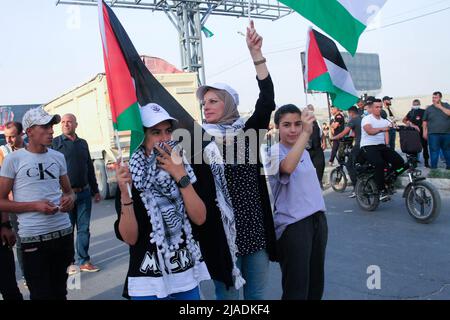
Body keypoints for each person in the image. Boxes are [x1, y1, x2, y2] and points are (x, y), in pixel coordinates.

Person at [191, 20, 277, 300]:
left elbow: (267, 100)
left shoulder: (247, 135)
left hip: (255, 229)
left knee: (258, 296)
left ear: (229, 103)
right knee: (226, 297)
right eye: (205, 102)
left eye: (214, 101)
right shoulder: (198, 140)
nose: (207, 106)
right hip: (221, 238)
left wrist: (256, 56)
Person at [114, 103, 210, 300]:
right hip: (148, 281)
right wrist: (125, 194)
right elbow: (130, 238)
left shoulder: (184, 168)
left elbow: (200, 218)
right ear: (142, 137)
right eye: (156, 132)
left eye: (168, 131)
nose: (165, 139)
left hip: (185, 276)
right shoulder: (131, 176)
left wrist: (180, 175)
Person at [0, 107, 75, 300]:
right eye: (45, 126)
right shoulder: (12, 160)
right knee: (41, 295)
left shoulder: (57, 157)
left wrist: (69, 199)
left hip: (63, 236)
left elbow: (69, 191)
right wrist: (34, 206)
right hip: (34, 240)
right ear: (29, 131)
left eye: (51, 126)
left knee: (61, 293)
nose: (51, 131)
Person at [267, 104, 327, 300]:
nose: (293, 129)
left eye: (297, 124)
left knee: (315, 283)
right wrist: (305, 134)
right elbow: (287, 168)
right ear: (277, 127)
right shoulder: (273, 151)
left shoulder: (305, 152)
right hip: (293, 226)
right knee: (296, 288)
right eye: (286, 125)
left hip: (317, 220)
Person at [52, 114, 101, 273]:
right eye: (63, 122)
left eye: (69, 122)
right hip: (65, 196)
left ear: (76, 125)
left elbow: (89, 168)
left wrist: (95, 190)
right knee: (67, 230)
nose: (66, 124)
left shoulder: (82, 143)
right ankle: (69, 262)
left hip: (84, 193)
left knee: (84, 229)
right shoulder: (55, 143)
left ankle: (84, 261)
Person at [360, 99, 405, 200]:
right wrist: (382, 129)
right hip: (368, 146)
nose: (379, 109)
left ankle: (389, 178)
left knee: (400, 163)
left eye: (381, 107)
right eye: (377, 107)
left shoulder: (385, 120)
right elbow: (369, 131)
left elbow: (388, 132)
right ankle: (380, 190)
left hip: (381, 146)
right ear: (371, 108)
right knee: (379, 163)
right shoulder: (367, 119)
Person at [0, 121, 27, 286]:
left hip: (32, 202)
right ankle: (26, 274)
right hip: (13, 205)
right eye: (6, 137)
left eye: (12, 136)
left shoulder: (31, 149)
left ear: (21, 134)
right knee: (20, 241)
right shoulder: (3, 152)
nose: (8, 140)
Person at [330, 106, 362, 198]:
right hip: (366, 145)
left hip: (359, 145)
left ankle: (356, 188)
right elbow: (353, 133)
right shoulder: (362, 119)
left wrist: (334, 138)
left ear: (351, 113)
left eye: (349, 114)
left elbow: (344, 132)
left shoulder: (353, 120)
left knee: (349, 165)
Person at [422, 91, 450, 169]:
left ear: (440, 98)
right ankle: (434, 168)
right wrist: (424, 132)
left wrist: (440, 107)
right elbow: (424, 121)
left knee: (447, 151)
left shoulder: (446, 105)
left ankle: (449, 167)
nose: (433, 99)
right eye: (433, 97)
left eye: (435, 97)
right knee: (434, 151)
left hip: (446, 133)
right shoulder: (429, 108)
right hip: (433, 134)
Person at [403, 99, 429, 167]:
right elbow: (404, 120)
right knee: (414, 148)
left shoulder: (423, 111)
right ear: (412, 105)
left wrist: (425, 130)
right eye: (414, 104)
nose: (415, 106)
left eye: (417, 104)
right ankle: (414, 163)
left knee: (425, 147)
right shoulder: (411, 112)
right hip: (413, 134)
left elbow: (427, 121)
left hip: (422, 132)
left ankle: (426, 162)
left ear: (419, 104)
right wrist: (409, 123)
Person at [305, 104, 326, 187]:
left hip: (317, 147)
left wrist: (324, 142)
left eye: (312, 112)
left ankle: (319, 181)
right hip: (306, 149)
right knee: (306, 168)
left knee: (321, 164)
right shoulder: (302, 122)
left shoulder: (317, 122)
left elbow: (322, 134)